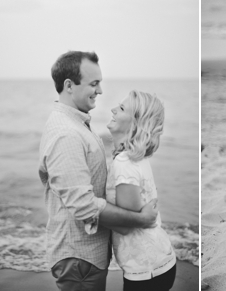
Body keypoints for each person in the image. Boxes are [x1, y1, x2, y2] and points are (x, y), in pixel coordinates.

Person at [39, 51, 158, 291]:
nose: (101, 90)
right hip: (79, 257)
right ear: (69, 86)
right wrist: (140, 219)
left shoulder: (78, 124)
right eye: (94, 84)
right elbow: (83, 204)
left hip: (85, 256)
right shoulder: (66, 134)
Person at [105, 90, 177, 290]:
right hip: (156, 263)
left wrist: (89, 208)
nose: (112, 110)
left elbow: (125, 224)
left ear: (136, 123)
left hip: (146, 270)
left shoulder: (125, 162)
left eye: (120, 108)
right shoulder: (135, 157)